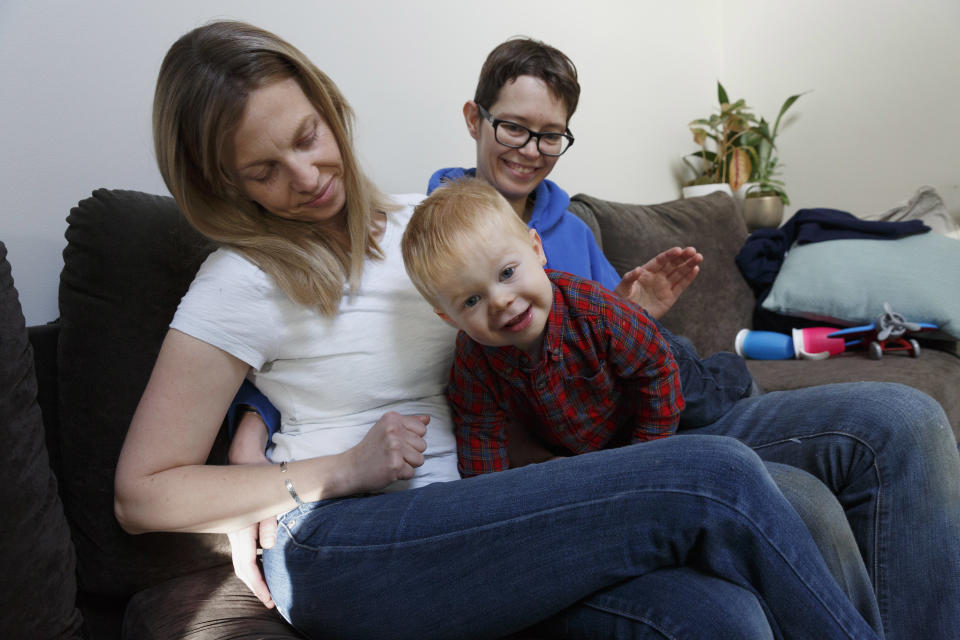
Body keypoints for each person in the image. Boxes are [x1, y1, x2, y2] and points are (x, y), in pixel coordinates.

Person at [114, 20, 883, 640]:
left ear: (329, 108)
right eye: (263, 170)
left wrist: (617, 317)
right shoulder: (237, 281)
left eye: (307, 136)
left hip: (499, 507)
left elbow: (521, 328)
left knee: (730, 608)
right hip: (351, 538)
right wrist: (325, 472)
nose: (307, 175)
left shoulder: (431, 225)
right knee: (714, 475)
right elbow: (143, 494)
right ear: (221, 184)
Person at [423, 35, 960, 640]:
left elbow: (630, 352)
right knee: (805, 503)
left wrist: (633, 310)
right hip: (632, 456)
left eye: (550, 135)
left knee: (908, 418)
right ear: (475, 118)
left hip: (673, 401)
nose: (531, 150)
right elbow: (493, 427)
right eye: (513, 129)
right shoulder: (428, 240)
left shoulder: (567, 224)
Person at [402, 178, 684, 476]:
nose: (500, 301)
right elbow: (481, 436)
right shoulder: (473, 363)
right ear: (449, 318)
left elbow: (657, 369)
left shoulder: (592, 309)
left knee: (708, 393)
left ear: (536, 249)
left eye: (507, 272)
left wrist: (646, 458)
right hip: (590, 438)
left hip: (663, 367)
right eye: (472, 300)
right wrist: (490, 503)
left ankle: (729, 370)